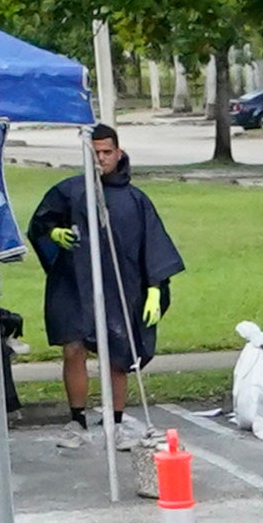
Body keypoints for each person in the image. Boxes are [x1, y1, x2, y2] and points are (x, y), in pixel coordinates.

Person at [26, 125, 182, 419]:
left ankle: (117, 420)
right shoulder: (69, 192)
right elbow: (40, 225)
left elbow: (153, 245)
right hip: (73, 284)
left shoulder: (136, 200)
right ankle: (78, 419)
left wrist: (154, 289)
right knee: (73, 348)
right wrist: (55, 233)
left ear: (118, 152)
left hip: (120, 286)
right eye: (95, 153)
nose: (101, 158)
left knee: (117, 353)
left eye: (107, 152)